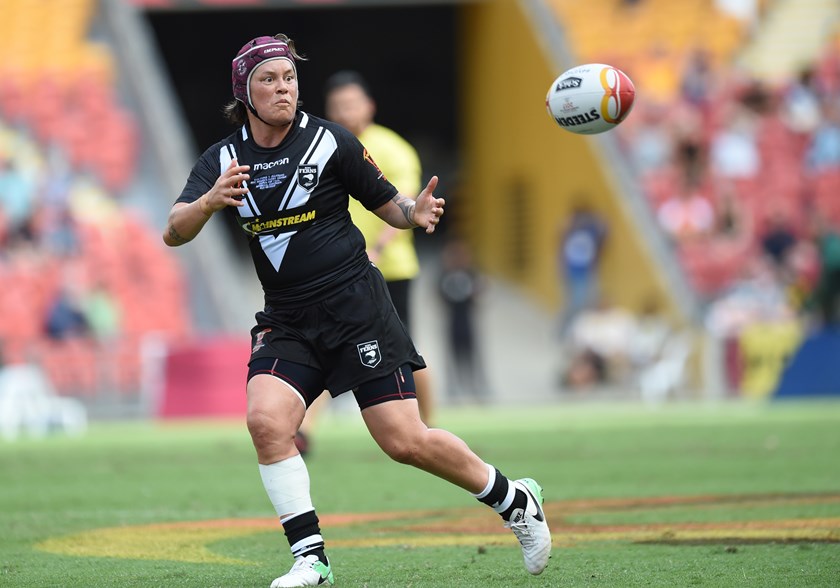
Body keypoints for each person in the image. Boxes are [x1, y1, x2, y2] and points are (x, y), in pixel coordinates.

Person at [162, 34, 551, 587]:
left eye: (289, 77)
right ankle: (310, 560)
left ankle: (514, 500)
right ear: (244, 91)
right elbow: (173, 232)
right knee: (266, 422)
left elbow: (389, 205)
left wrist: (415, 213)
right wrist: (206, 202)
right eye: (268, 79)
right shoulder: (223, 159)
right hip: (287, 319)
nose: (283, 88)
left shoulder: (330, 142)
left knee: (404, 442)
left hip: (356, 310)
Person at [294, 70, 435, 450]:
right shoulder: (322, 148)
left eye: (351, 105)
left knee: (407, 351)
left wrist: (379, 249)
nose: (343, 112)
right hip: (340, 274)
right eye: (337, 107)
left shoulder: (393, 148)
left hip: (389, 271)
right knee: (328, 347)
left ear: (369, 107)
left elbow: (405, 203)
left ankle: (431, 428)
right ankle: (304, 431)